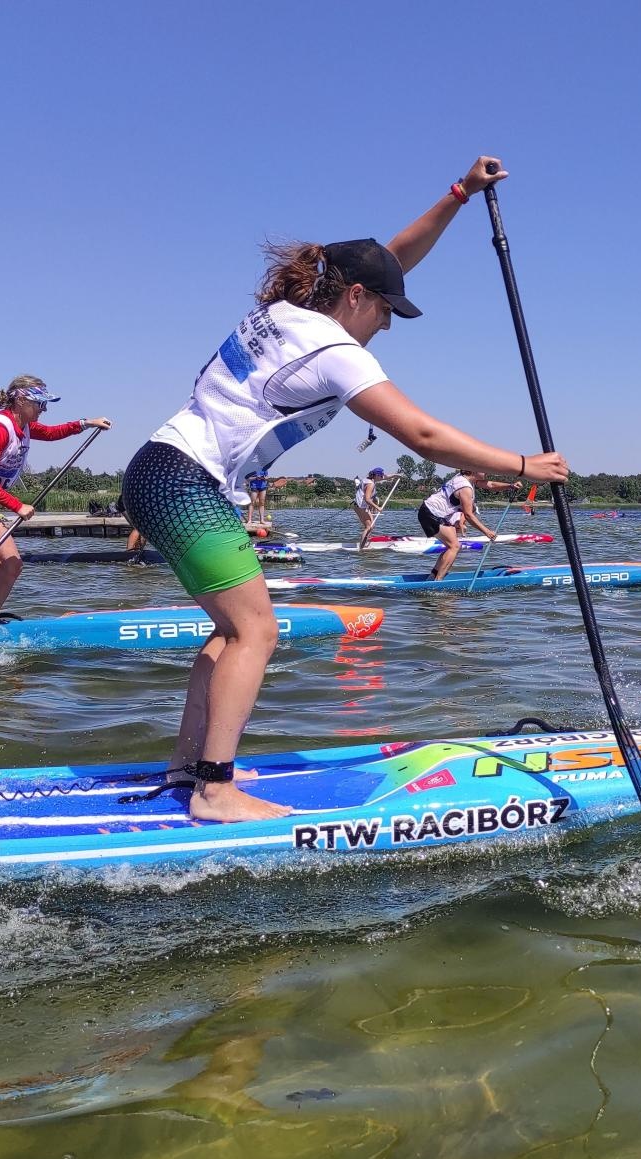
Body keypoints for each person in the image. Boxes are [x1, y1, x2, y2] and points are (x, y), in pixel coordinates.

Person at [121, 155, 569, 823]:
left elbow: (388, 261)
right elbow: (422, 435)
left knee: (228, 634)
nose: (386, 326)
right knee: (256, 632)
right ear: (355, 298)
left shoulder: (285, 311)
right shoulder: (337, 352)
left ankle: (189, 766)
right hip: (186, 482)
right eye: (386, 312)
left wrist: (459, 195)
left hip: (153, 470)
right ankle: (215, 790)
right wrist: (525, 466)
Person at [0, 376, 111, 625]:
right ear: (20, 400)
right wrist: (17, 506)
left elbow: (52, 433)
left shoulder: (24, 426)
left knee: (13, 564)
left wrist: (86, 423)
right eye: (40, 404)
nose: (44, 409)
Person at [419, 470, 521, 580]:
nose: (486, 471)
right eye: (482, 468)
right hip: (431, 513)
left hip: (428, 512)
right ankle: (438, 582)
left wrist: (510, 486)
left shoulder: (465, 478)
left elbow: (491, 485)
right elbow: (468, 515)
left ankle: (432, 577)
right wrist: (487, 532)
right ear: (473, 471)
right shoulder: (465, 488)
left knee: (451, 546)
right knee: (454, 546)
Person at [353, 466, 395, 546]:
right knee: (368, 527)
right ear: (376, 475)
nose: (382, 477)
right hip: (360, 506)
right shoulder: (370, 484)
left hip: (361, 506)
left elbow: (386, 477)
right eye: (381, 476)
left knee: (371, 526)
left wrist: (396, 475)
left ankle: (365, 543)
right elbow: (367, 499)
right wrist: (378, 507)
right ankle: (361, 548)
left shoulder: (368, 479)